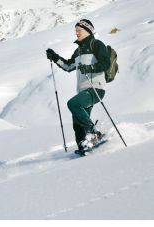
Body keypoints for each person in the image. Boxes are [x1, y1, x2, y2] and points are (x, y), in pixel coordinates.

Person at [46, 19, 110, 152]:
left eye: (78, 30)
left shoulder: (96, 45)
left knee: (73, 104)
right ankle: (83, 147)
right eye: (75, 30)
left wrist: (90, 68)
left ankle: (95, 134)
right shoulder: (78, 51)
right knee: (77, 123)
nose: (76, 33)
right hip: (83, 90)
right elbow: (69, 66)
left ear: (87, 31)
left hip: (96, 88)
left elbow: (106, 64)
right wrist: (55, 57)